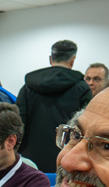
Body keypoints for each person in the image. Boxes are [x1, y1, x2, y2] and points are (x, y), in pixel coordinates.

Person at [16, 39, 92, 169]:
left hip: (29, 158)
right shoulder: (82, 88)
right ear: (73, 60)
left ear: (50, 59)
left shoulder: (28, 87)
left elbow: (18, 123)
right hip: (65, 158)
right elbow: (86, 127)